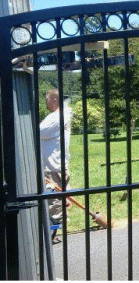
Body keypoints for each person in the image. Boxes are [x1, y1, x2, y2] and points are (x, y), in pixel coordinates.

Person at [40, 89, 73, 243]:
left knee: (54, 201)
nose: (46, 102)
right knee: (57, 199)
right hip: (55, 164)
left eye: (47, 99)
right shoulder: (62, 115)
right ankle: (52, 230)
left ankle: (51, 235)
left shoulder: (57, 117)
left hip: (53, 166)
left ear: (54, 100)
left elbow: (40, 132)